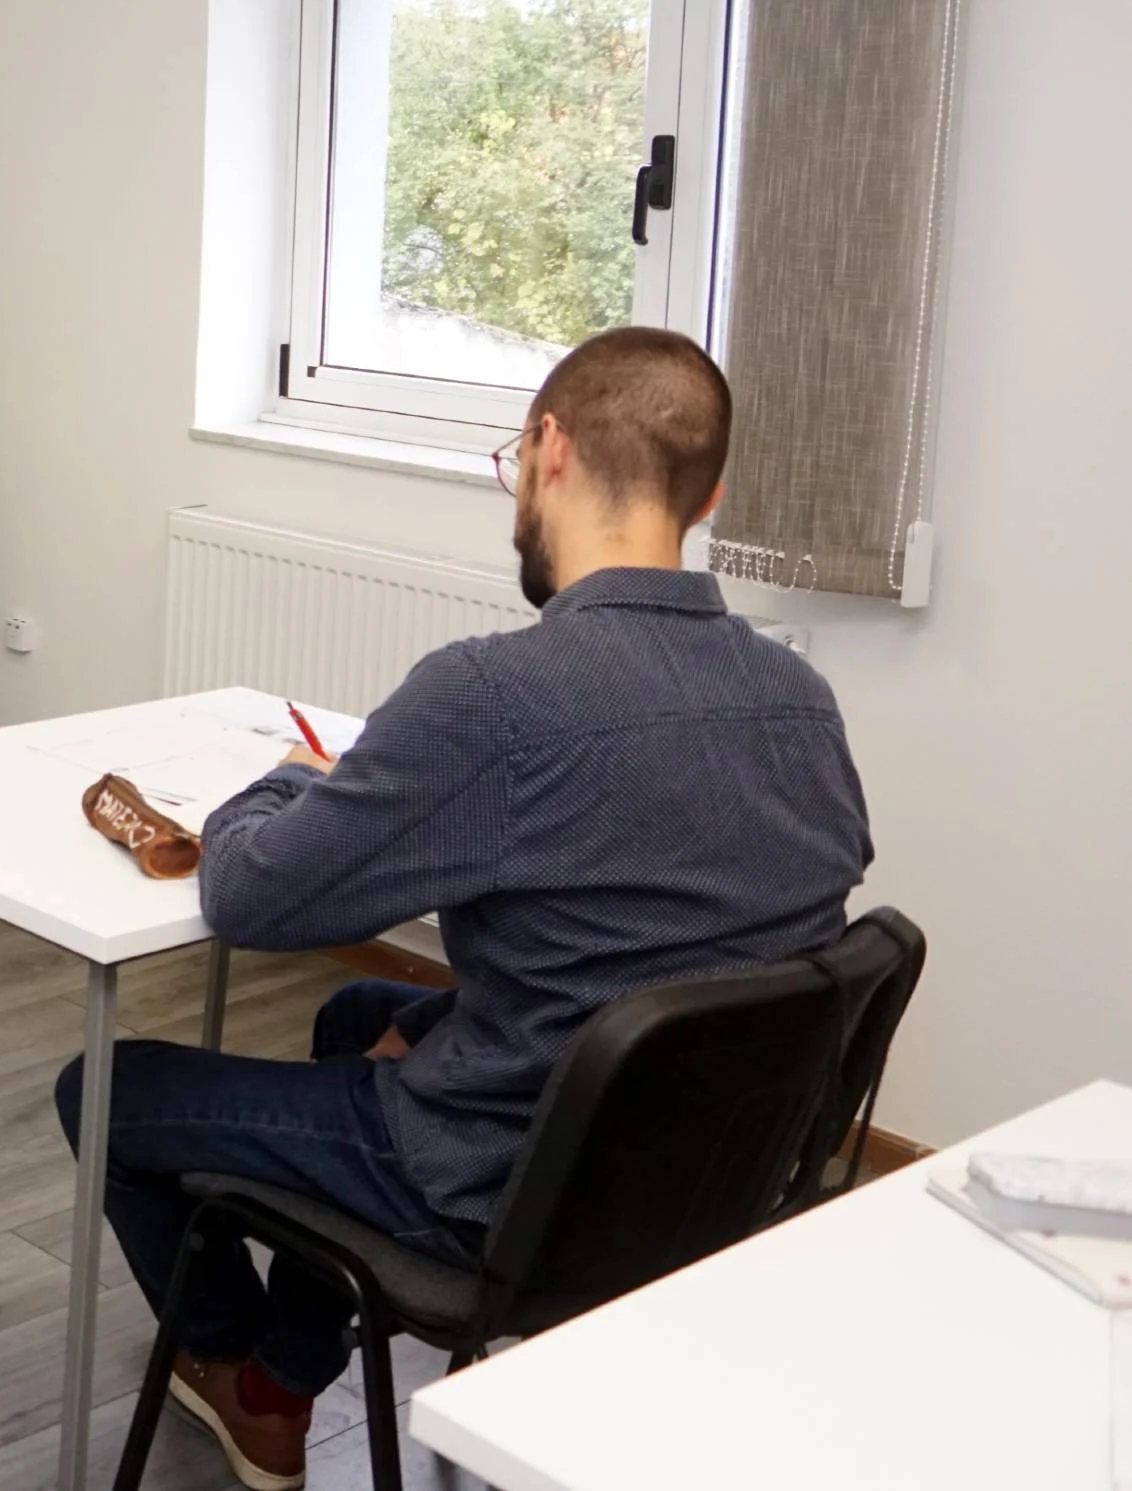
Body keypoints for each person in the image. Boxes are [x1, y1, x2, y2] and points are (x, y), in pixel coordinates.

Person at [53, 326, 870, 1491]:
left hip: (501, 1183)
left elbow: (248, 894)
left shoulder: (493, 696)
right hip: (695, 1186)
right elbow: (685, 951)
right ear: (707, 497)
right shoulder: (800, 699)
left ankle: (233, 1368)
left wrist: (287, 786)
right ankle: (288, 1382)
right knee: (357, 1016)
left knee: (104, 1088)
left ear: (548, 450)